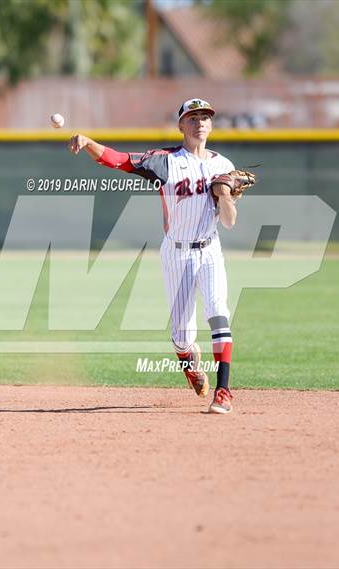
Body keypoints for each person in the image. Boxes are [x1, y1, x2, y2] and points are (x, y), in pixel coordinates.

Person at [69, 98, 240, 414]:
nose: (199, 122)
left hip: (210, 249)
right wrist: (90, 142)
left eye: (205, 117)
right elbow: (120, 160)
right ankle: (190, 364)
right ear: (181, 126)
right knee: (180, 338)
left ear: (211, 125)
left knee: (219, 313)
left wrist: (226, 194)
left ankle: (224, 391)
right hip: (176, 254)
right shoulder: (165, 161)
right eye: (192, 117)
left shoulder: (223, 166)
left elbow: (229, 222)